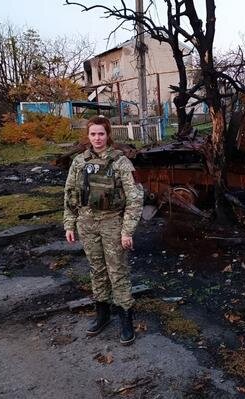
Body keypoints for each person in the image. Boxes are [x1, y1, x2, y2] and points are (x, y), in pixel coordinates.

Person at [63, 116, 144, 345]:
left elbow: (136, 198)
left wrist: (127, 230)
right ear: (87, 136)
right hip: (86, 223)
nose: (97, 138)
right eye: (93, 134)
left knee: (117, 271)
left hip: (112, 223)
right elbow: (70, 193)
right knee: (96, 269)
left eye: (101, 134)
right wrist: (69, 223)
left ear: (108, 135)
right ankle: (102, 314)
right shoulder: (79, 162)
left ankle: (126, 319)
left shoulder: (120, 162)